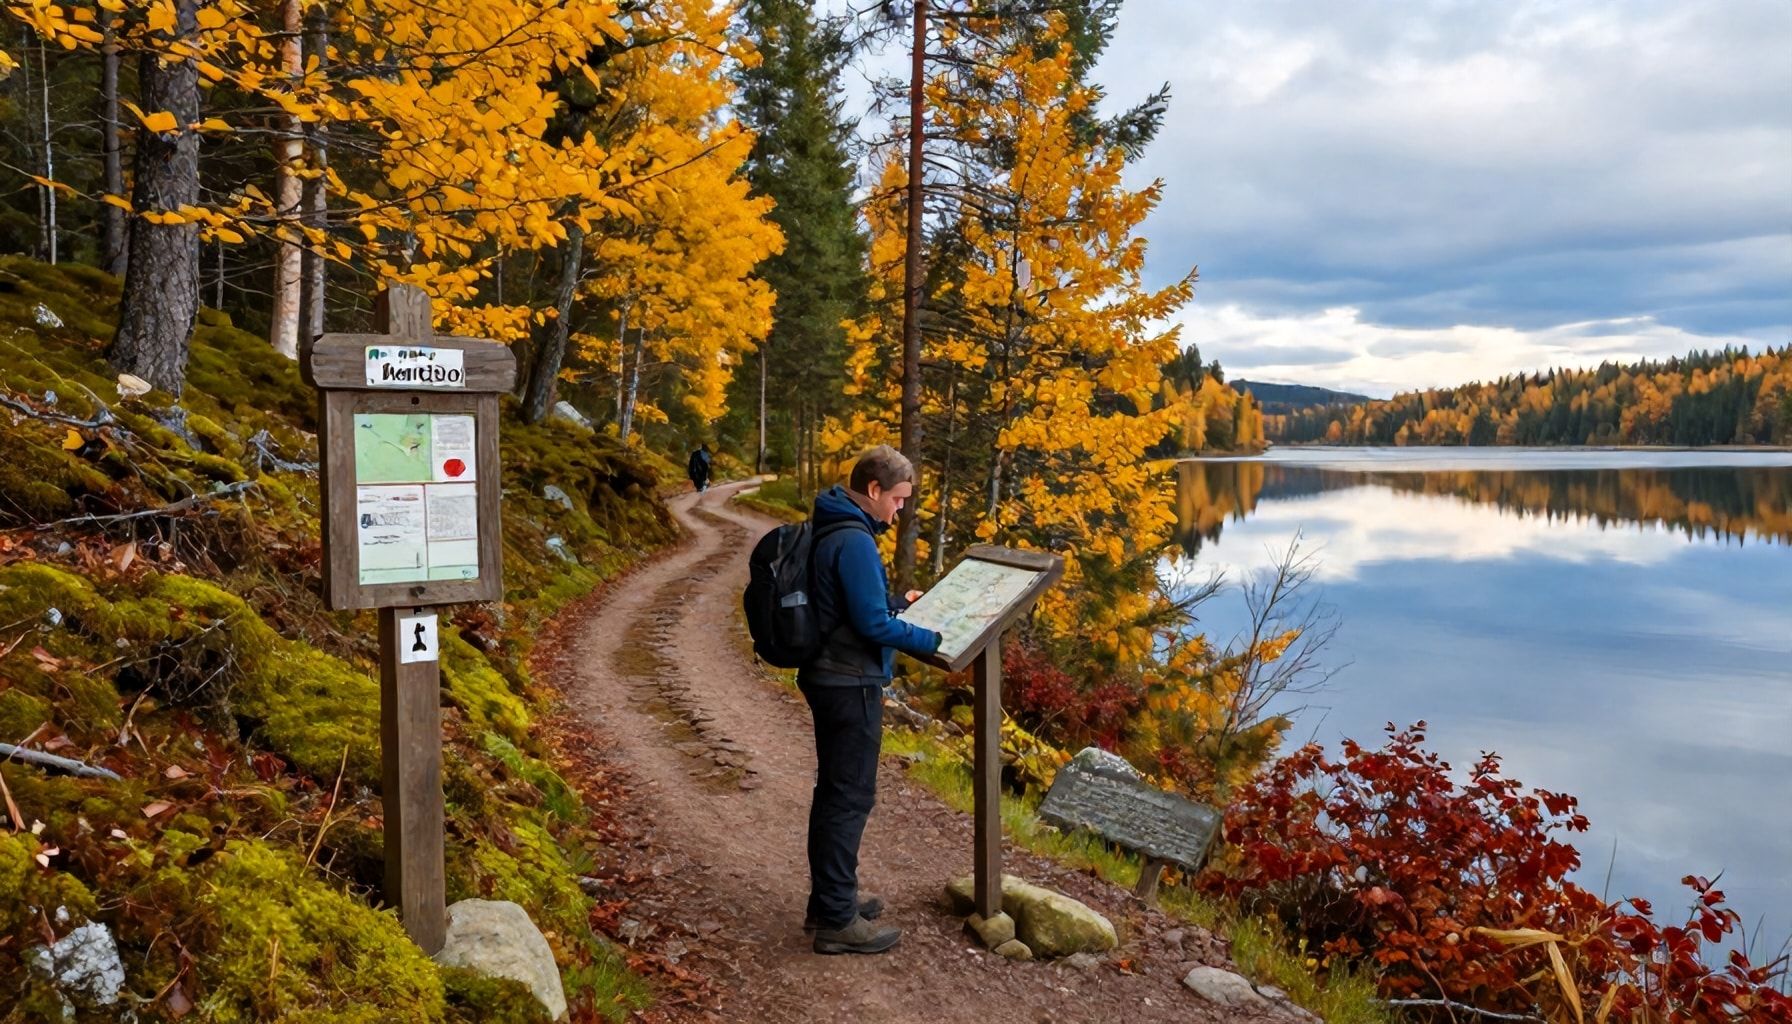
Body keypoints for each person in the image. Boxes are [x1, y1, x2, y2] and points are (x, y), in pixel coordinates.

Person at [799, 445, 942, 955]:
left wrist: (900, 603)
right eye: (899, 500)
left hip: (830, 674)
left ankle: (831, 901)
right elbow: (870, 625)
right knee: (849, 797)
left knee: (835, 793)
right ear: (876, 490)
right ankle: (837, 920)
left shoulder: (835, 525)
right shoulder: (855, 540)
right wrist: (935, 642)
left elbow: (857, 605)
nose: (900, 510)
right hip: (848, 681)